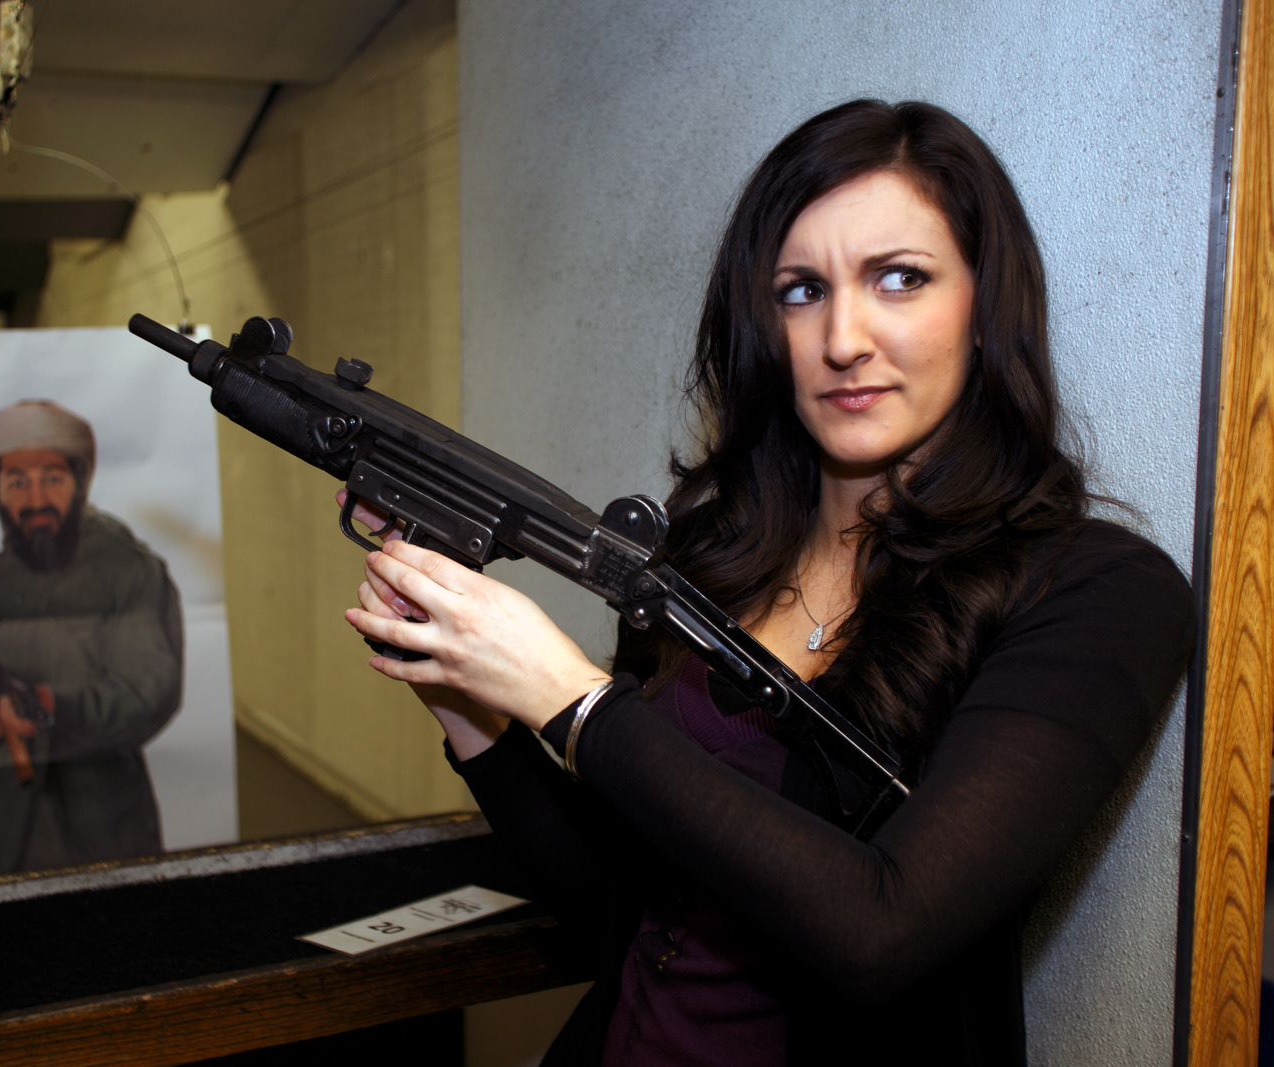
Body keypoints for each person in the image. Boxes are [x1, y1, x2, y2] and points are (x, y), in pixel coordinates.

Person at [341, 100, 1193, 1066]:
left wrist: (570, 702)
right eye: (800, 291)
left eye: (900, 279)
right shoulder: (713, 548)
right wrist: (466, 694)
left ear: (987, 304)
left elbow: (885, 932)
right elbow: (622, 898)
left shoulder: (1097, 592)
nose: (843, 338)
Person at [0, 399, 183, 878]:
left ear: (79, 483)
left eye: (51, 478)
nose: (34, 499)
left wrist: (52, 705)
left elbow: (150, 689)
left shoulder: (129, 572)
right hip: (3, 829)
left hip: (107, 824)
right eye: (16, 482)